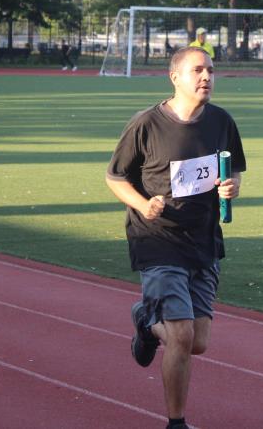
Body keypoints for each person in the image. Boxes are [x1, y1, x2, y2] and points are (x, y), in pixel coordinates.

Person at [105, 46, 245, 429]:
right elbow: (115, 177)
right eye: (197, 70)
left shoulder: (221, 122)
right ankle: (176, 422)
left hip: (203, 240)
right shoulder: (146, 124)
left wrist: (232, 187)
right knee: (181, 336)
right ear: (175, 77)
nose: (207, 77)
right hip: (157, 238)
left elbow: (233, 170)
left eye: (211, 70)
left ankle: (145, 319)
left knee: (197, 342)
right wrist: (143, 204)